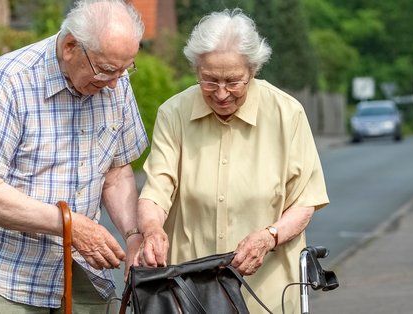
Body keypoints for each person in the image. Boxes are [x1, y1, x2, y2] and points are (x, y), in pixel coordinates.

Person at [0, 0, 147, 313]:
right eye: (106, 70)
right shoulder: (8, 81)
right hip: (3, 272)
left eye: (125, 69)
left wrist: (134, 234)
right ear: (70, 47)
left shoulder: (115, 82)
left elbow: (117, 171)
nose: (114, 82)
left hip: (79, 267)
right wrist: (70, 226)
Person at [135, 8, 329, 313]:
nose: (221, 93)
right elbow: (157, 188)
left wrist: (269, 237)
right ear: (196, 69)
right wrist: (151, 229)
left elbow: (305, 201)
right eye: (209, 81)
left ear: (252, 70)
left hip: (267, 291)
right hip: (190, 291)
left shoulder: (287, 113)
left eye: (233, 81)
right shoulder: (173, 113)